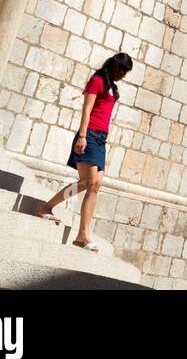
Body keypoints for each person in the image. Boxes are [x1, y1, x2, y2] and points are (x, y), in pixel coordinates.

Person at [35, 52, 133, 252]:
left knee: (94, 185)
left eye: (126, 71)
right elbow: (87, 109)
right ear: (114, 66)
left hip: (101, 139)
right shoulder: (97, 81)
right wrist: (81, 136)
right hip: (89, 135)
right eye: (121, 69)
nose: (123, 74)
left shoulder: (112, 88)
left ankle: (82, 234)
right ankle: (48, 208)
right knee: (87, 182)